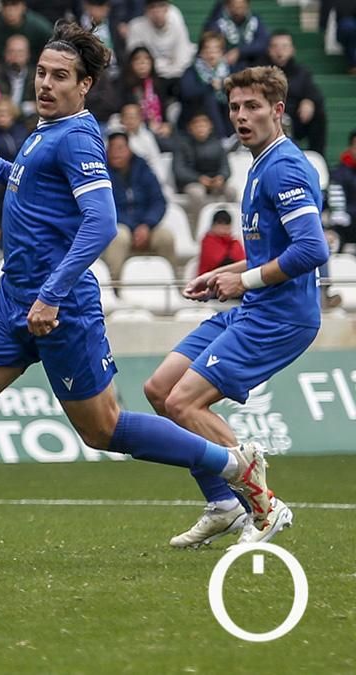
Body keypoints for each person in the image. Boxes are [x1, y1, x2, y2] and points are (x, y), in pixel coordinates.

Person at [0, 24, 276, 560]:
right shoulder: (46, 129)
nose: (45, 83)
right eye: (41, 73)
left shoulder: (79, 136)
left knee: (103, 429)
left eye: (60, 76)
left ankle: (233, 465)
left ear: (84, 85)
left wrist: (52, 294)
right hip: (14, 300)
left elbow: (100, 222)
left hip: (58, 308)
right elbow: (38, 186)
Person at [143, 66, 328, 547]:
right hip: (254, 307)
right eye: (235, 107)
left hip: (281, 317)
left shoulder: (284, 167)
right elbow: (275, 250)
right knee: (160, 390)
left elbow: (312, 249)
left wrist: (242, 280)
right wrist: (225, 274)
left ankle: (263, 508)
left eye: (253, 107)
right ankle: (224, 505)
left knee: (184, 402)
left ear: (278, 110)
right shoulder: (259, 163)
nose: (241, 116)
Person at [102, 131, 172, 279]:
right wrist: (133, 227)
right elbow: (105, 207)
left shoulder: (143, 169)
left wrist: (147, 224)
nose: (116, 153)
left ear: (129, 150)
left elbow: (159, 201)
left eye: (120, 148)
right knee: (119, 237)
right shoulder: (101, 173)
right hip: (119, 224)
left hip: (146, 225)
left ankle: (170, 284)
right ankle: (115, 285)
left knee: (166, 237)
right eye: (112, 148)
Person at [262, 31, 326, 157]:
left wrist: (309, 101)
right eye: (275, 47)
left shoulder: (302, 72)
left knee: (319, 114)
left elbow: (314, 93)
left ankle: (317, 157)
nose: (280, 51)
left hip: (295, 119)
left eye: (285, 46)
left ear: (292, 50)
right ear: (269, 50)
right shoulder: (260, 72)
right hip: (269, 117)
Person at [173, 112, 234, 224]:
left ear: (210, 127)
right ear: (190, 128)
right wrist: (198, 179)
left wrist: (221, 177)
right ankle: (198, 227)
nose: (200, 129)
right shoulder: (182, 145)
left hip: (214, 182)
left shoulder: (217, 144)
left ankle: (229, 226)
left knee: (231, 191)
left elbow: (225, 167)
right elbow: (179, 170)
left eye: (203, 125)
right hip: (192, 182)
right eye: (197, 126)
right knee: (197, 193)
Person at [179, 32, 232, 138]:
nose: (211, 54)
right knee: (210, 97)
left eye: (216, 50)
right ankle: (222, 137)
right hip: (197, 111)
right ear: (201, 52)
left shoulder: (229, 70)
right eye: (207, 49)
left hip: (224, 112)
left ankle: (234, 136)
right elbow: (187, 92)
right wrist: (210, 86)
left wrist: (223, 86)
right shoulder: (191, 71)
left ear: (222, 53)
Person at [0, 0, 53, 67]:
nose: (10, 10)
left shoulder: (39, 27)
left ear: (23, 6)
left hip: (34, 74)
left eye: (14, 4)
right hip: (2, 76)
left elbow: (55, 47)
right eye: (5, 5)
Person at [125, 0, 193, 80]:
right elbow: (137, 64)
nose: (157, 12)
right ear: (146, 10)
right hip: (150, 78)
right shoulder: (136, 27)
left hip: (178, 76)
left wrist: (158, 64)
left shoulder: (176, 17)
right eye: (152, 7)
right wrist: (168, 63)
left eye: (161, 6)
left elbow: (183, 60)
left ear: (167, 8)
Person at [209, 0, 268, 69]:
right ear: (228, 7)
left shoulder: (255, 20)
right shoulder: (219, 22)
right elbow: (210, 41)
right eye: (235, 7)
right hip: (226, 66)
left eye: (241, 7)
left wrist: (240, 51)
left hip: (251, 64)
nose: (238, 11)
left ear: (247, 6)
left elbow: (263, 43)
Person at [198, 209, 244, 275]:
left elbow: (242, 261)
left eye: (226, 226)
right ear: (213, 226)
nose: (223, 229)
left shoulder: (234, 243)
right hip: (210, 278)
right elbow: (217, 262)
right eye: (220, 225)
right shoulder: (208, 242)